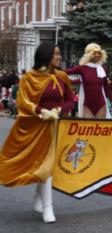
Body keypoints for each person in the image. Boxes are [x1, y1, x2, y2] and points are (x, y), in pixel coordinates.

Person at [0, 43, 74, 223]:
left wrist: (58, 109)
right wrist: (41, 111)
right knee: (41, 165)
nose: (59, 57)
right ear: (46, 56)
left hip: (55, 127)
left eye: (59, 54)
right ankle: (46, 206)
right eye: (55, 54)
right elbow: (23, 102)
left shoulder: (62, 77)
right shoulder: (29, 78)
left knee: (46, 166)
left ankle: (42, 201)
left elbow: (71, 100)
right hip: (34, 127)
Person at [66, 43, 112, 118]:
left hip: (101, 104)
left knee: (100, 128)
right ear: (89, 54)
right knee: (88, 128)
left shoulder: (102, 69)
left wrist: (111, 100)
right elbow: (66, 73)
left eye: (99, 53)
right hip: (87, 105)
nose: (97, 55)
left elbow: (105, 87)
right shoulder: (82, 68)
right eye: (95, 53)